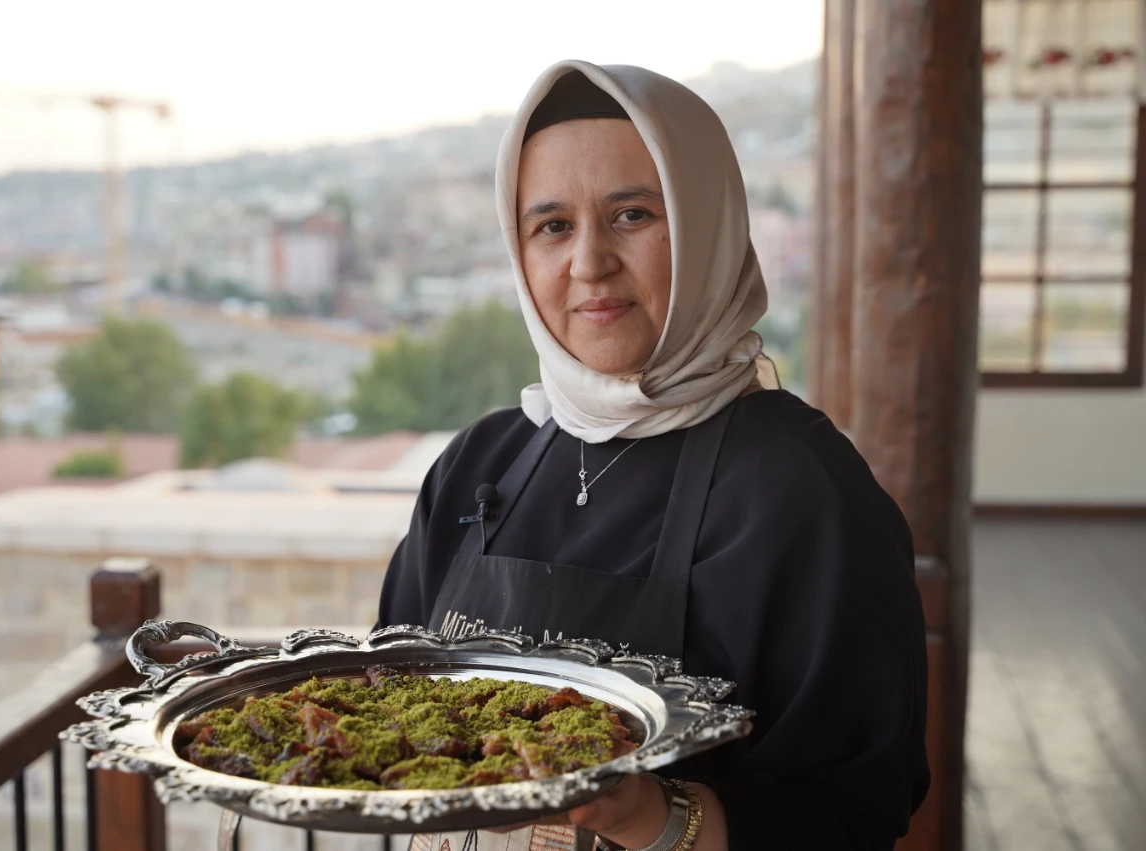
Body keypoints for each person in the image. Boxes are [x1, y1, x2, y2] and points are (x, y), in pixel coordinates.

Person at [376, 60, 929, 851]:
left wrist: (649, 812)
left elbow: (853, 812)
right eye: (553, 226)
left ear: (707, 226)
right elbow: (386, 707)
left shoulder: (803, 490)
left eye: (631, 214)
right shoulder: (479, 463)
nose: (589, 261)